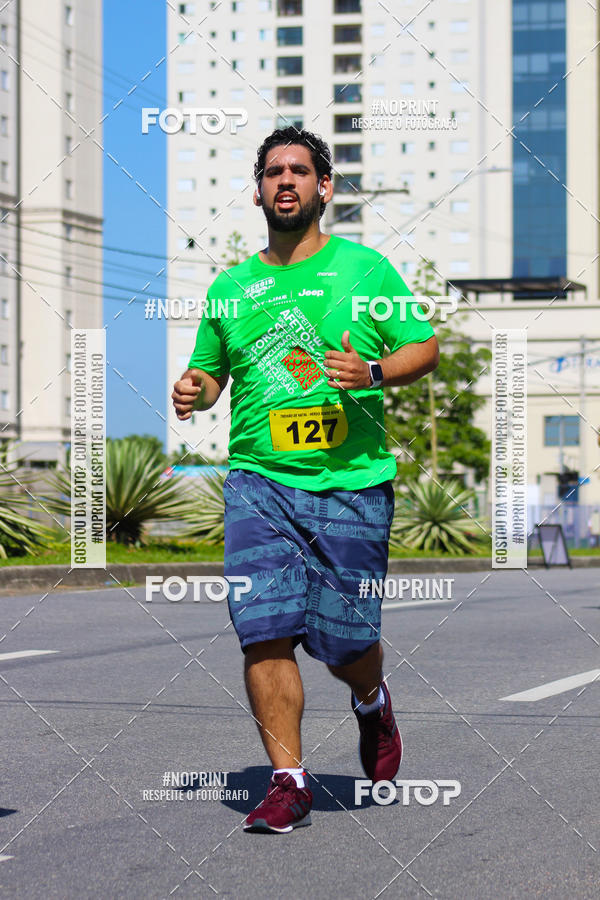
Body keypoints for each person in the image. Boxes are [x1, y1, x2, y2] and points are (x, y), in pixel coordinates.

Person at [172, 127, 439, 834]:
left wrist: (376, 372)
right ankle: (288, 782)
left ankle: (372, 701)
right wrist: (194, 388)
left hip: (353, 481)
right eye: (271, 172)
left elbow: (424, 345)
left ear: (325, 187)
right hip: (261, 483)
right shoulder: (233, 287)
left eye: (299, 170)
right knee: (263, 630)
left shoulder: (366, 270)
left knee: (347, 642)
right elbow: (208, 369)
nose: (284, 181)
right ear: (258, 190)